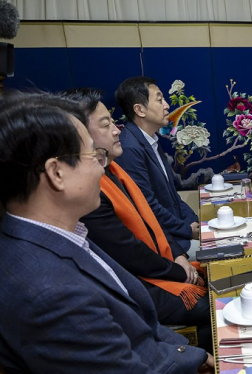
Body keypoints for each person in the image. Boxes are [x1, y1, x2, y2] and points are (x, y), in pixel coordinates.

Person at [0, 92, 214, 373]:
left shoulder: (66, 234)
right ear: (57, 173)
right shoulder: (53, 294)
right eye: (94, 155)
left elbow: (143, 327)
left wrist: (196, 357)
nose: (103, 168)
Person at [59, 88, 211, 351]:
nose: (118, 130)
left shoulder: (115, 169)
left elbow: (151, 219)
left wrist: (178, 255)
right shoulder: (90, 188)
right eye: (106, 125)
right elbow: (128, 251)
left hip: (157, 265)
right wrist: (178, 270)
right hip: (138, 283)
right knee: (214, 305)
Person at [115, 76, 199, 253]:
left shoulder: (149, 139)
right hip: (163, 243)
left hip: (177, 234)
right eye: (160, 100)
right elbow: (147, 206)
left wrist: (193, 222)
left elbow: (172, 195)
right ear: (140, 110)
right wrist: (187, 230)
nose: (167, 105)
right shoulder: (130, 148)